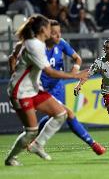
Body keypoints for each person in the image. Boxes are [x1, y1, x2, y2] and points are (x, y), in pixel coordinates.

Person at [4, 14, 89, 166]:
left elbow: (13, 56)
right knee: (31, 131)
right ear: (43, 29)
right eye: (50, 28)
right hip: (21, 92)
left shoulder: (34, 43)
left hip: (34, 89)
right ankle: (11, 158)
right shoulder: (34, 46)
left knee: (61, 114)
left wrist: (14, 71)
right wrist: (74, 75)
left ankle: (37, 145)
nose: (53, 31)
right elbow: (50, 72)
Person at [27, 19, 105, 160]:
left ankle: (32, 140)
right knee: (68, 114)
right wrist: (73, 76)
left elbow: (77, 58)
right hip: (42, 88)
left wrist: (75, 68)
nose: (57, 36)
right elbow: (49, 72)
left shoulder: (61, 43)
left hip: (58, 87)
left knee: (56, 115)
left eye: (59, 32)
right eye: (54, 33)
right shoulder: (38, 48)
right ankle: (93, 144)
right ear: (46, 33)